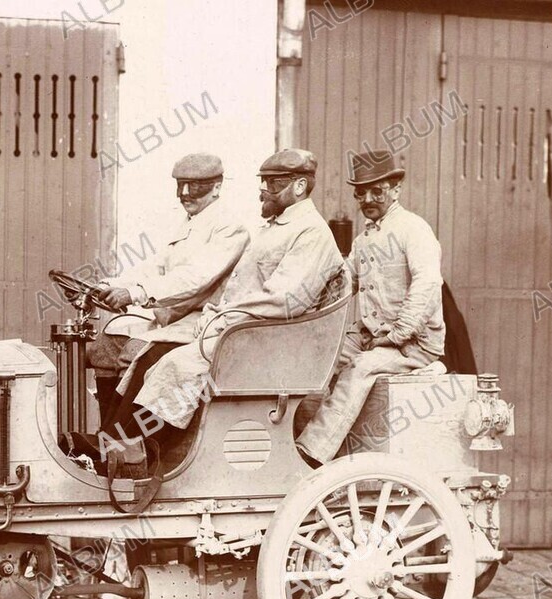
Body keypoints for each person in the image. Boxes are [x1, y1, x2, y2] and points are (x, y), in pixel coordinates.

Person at [101, 148, 345, 476]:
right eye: (264, 182)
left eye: (273, 184)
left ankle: (136, 454)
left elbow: (285, 300)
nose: (263, 190)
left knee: (174, 364)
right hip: (244, 330)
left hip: (267, 340)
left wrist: (226, 316)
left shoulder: (310, 232)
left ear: (299, 187)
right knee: (152, 354)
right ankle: (116, 447)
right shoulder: (277, 227)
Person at [296, 150, 446, 465]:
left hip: (412, 344)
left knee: (360, 368)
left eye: (377, 191)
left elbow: (428, 283)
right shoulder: (365, 239)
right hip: (372, 335)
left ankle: (313, 453)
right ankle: (297, 439)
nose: (368, 199)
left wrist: (399, 333)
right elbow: (344, 283)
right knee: (318, 360)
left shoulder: (413, 229)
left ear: (395, 189)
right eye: (361, 193)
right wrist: (301, 315)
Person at [86, 153, 249, 422]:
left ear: (217, 187)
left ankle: (124, 446)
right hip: (171, 315)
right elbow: (156, 267)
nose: (185, 193)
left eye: (195, 186)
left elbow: (194, 278)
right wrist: (109, 285)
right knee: (105, 345)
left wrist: (136, 293)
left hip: (202, 320)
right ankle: (107, 440)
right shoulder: (188, 222)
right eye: (181, 185)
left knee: (135, 349)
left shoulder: (230, 227)